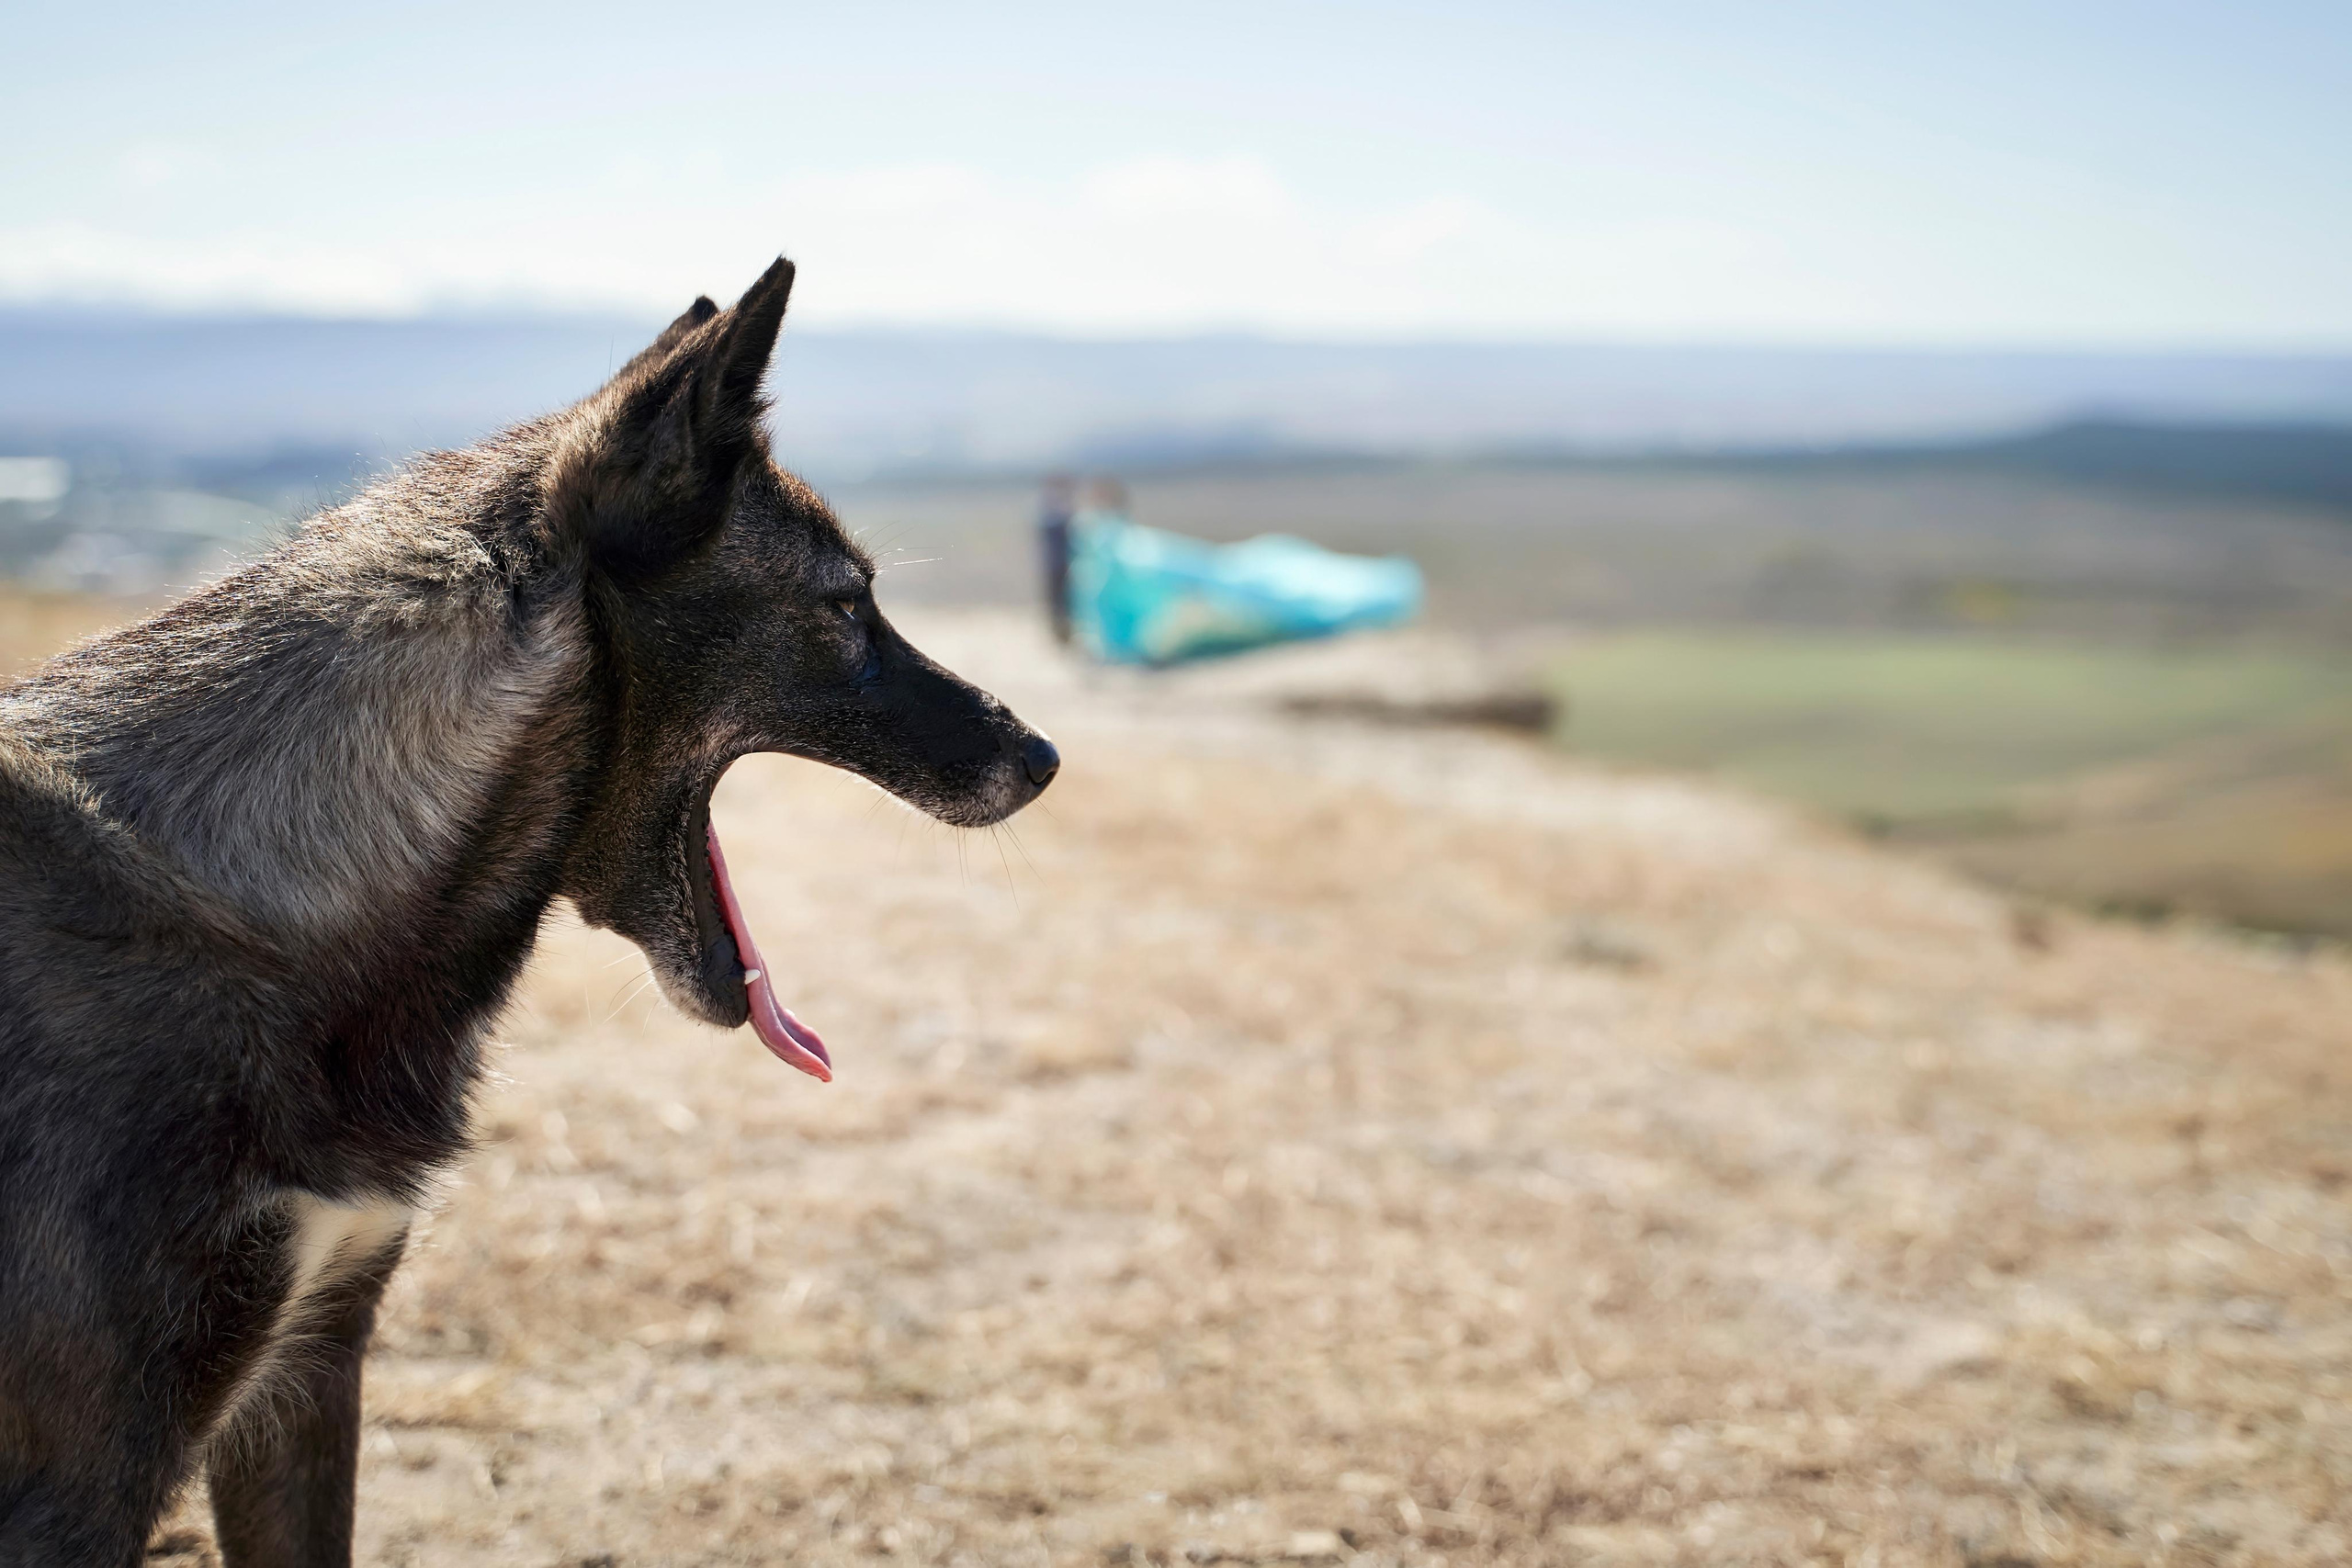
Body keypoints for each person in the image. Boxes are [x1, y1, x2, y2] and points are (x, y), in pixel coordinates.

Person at [1036, 474, 1075, 644]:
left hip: (1065, 564)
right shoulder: (1049, 511)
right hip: (1053, 564)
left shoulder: (1066, 510)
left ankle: (1064, 633)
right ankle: (1057, 634)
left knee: (1065, 600)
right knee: (1055, 600)